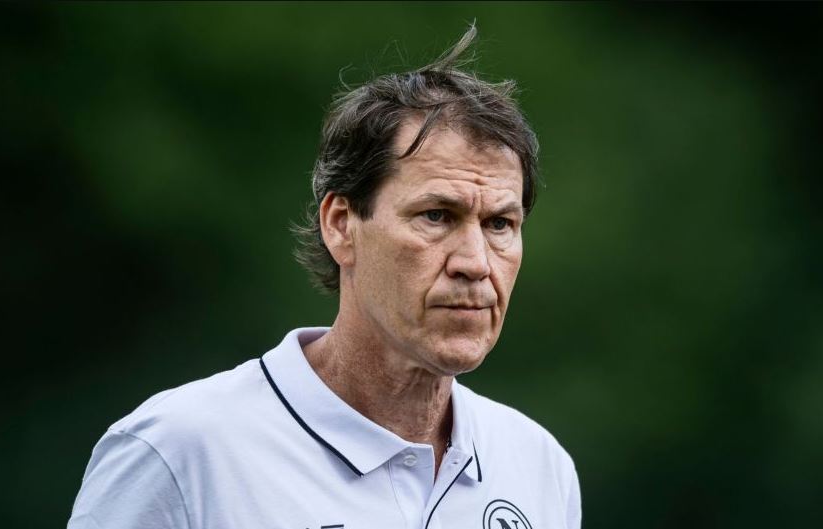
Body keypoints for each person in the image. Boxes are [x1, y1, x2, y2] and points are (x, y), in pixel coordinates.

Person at [68, 26, 580, 529]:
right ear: (340, 225)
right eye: (436, 215)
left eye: (499, 224)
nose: (475, 262)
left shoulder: (538, 468)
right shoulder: (179, 454)